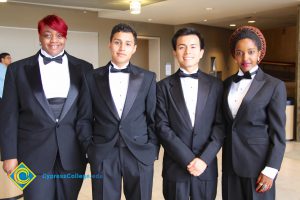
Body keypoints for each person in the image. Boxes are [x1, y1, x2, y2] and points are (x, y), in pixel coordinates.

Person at [0, 15, 93, 200]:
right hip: (30, 154)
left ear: (66, 37)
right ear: (39, 36)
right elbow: (8, 115)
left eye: (59, 35)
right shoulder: (17, 70)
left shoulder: (84, 68)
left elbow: (87, 113)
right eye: (48, 35)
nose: (54, 41)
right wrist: (8, 155)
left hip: (73, 154)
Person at [85, 23, 159, 200]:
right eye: (117, 42)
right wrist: (89, 148)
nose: (122, 48)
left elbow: (153, 117)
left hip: (139, 152)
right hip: (103, 152)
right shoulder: (91, 77)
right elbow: (84, 118)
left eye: (127, 43)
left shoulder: (148, 77)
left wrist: (152, 150)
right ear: (109, 44)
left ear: (134, 48)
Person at [156, 27, 225, 200]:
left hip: (206, 167)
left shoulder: (216, 86)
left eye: (193, 47)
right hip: (175, 166)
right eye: (182, 47)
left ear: (201, 52)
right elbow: (162, 126)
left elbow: (220, 125)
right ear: (174, 52)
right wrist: (188, 159)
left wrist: (203, 160)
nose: (187, 52)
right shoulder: (162, 87)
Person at [222, 26, 286, 200]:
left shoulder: (274, 85)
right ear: (234, 55)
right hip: (230, 165)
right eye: (239, 52)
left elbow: (278, 134)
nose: (245, 58)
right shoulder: (226, 84)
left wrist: (271, 170)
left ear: (259, 53)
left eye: (250, 52)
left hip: (258, 166)